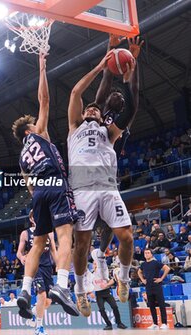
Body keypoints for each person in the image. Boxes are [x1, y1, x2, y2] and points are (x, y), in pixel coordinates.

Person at [67, 36, 142, 315]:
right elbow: (76, 93)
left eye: (96, 110)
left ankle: (122, 278)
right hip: (83, 187)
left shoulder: (108, 133)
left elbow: (132, 107)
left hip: (108, 186)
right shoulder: (75, 127)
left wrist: (130, 73)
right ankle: (81, 291)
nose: (92, 109)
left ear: (102, 117)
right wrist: (104, 62)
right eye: (90, 108)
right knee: (82, 243)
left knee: (128, 236)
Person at [12, 53, 79, 318]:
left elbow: (29, 187)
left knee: (38, 243)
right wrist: (42, 66)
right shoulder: (38, 133)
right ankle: (62, 285)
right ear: (29, 129)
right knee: (65, 236)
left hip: (38, 193)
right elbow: (45, 100)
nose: (38, 122)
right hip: (55, 184)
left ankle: (24, 291)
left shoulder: (21, 158)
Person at [17, 209, 58, 335]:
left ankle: (32, 312)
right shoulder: (25, 233)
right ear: (31, 219)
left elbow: (53, 251)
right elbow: (19, 252)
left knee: (48, 301)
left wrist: (58, 265)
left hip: (47, 267)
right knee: (42, 295)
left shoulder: (49, 232)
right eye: (34, 216)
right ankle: (39, 327)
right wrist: (22, 258)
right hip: (34, 266)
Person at [89, 250, 127, 330]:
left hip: (106, 292)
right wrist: (89, 293)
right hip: (99, 294)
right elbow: (88, 285)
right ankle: (108, 325)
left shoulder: (103, 272)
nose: (95, 265)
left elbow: (113, 280)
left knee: (115, 306)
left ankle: (119, 323)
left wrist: (107, 284)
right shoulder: (91, 275)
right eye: (94, 264)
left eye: (96, 263)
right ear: (92, 265)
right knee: (101, 309)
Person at [138, 248, 170, 330]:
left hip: (156, 285)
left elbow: (167, 268)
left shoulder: (156, 263)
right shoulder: (143, 264)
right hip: (148, 286)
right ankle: (155, 323)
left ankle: (164, 323)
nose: (146, 254)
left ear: (151, 254)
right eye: (145, 253)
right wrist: (142, 280)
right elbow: (139, 272)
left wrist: (161, 278)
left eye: (148, 253)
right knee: (151, 305)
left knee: (161, 304)